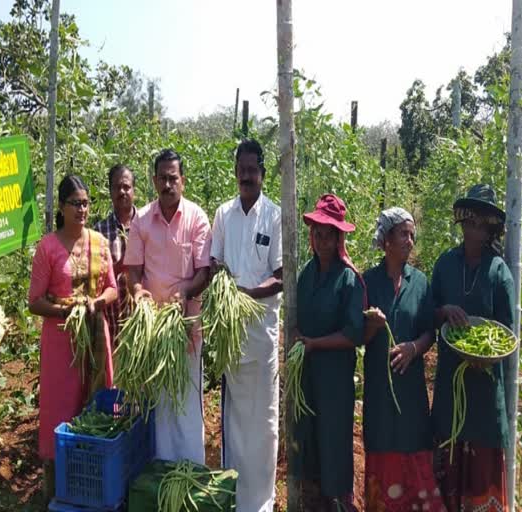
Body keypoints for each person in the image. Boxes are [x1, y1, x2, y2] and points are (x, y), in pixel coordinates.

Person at [28, 175, 117, 499]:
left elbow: (112, 288)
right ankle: (61, 486)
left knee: (96, 402)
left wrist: (96, 303)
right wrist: (65, 312)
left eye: (85, 203)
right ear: (62, 208)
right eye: (75, 203)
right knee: (62, 407)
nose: (82, 209)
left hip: (95, 335)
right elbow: (35, 301)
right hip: (61, 342)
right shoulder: (48, 247)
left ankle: (98, 478)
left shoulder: (98, 242)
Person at [430, 184, 515, 512]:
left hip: (483, 390)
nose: (476, 227)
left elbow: (507, 332)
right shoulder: (446, 264)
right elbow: (430, 311)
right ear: (463, 222)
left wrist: (489, 358)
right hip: (451, 385)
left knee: (481, 477)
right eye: (471, 220)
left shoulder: (498, 272)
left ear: (491, 226)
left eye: (483, 221)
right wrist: (444, 312)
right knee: (447, 473)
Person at [124, 149, 211, 464]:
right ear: (154, 180)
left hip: (186, 330)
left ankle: (190, 471)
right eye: (162, 178)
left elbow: (205, 272)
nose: (167, 184)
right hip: (154, 333)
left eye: (173, 178)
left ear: (183, 181)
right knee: (160, 402)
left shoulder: (197, 218)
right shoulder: (143, 220)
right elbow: (133, 268)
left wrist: (185, 292)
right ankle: (162, 470)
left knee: (187, 402)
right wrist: (136, 290)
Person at [210, 139, 283, 512]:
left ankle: (262, 502)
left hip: (262, 336)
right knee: (235, 417)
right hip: (231, 336)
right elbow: (215, 264)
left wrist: (248, 293)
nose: (247, 175)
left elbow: (282, 275)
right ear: (236, 171)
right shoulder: (224, 214)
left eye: (253, 169)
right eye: (242, 169)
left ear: (263, 173)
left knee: (265, 421)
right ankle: (235, 498)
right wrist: (226, 290)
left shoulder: (275, 215)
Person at [362, 207, 445, 512]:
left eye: (412, 235)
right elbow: (359, 337)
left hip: (411, 390)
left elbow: (430, 332)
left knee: (414, 448)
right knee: (382, 446)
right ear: (386, 241)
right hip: (380, 389)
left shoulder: (420, 282)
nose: (410, 241)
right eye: (403, 234)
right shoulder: (368, 282)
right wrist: (371, 326)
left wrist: (413, 348)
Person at [291, 193, 365, 512]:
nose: (321, 239)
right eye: (317, 232)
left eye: (328, 233)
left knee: (334, 439)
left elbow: (354, 334)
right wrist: (295, 336)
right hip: (307, 376)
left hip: (334, 378)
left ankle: (338, 503)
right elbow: (295, 321)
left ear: (339, 237)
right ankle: (315, 502)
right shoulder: (307, 275)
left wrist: (315, 344)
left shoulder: (348, 279)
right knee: (309, 438)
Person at [94, 163, 137, 343]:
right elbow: (94, 280)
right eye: (117, 187)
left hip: (143, 326)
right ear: (110, 191)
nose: (122, 192)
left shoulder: (147, 225)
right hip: (113, 326)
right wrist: (117, 268)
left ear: (134, 190)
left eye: (126, 187)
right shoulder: (99, 231)